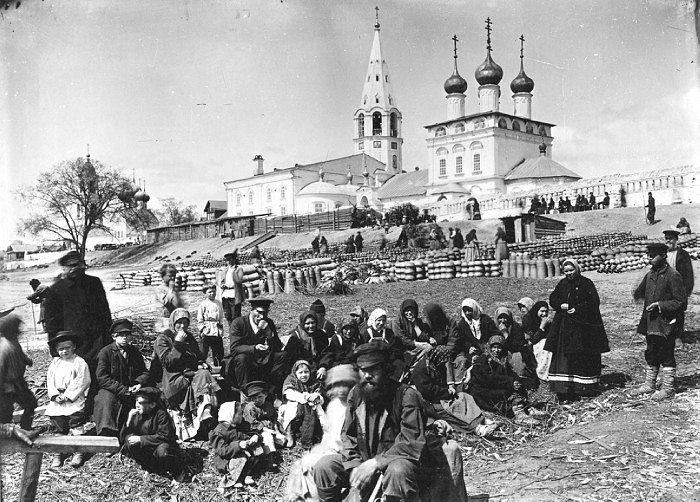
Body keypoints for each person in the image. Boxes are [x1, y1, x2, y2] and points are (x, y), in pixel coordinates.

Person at [312, 341, 428, 502]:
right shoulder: (357, 394)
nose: (367, 375)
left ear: (386, 370)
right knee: (324, 466)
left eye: (373, 369)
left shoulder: (406, 396)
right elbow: (348, 435)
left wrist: (376, 463)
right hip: (364, 462)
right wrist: (354, 466)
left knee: (398, 470)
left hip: (396, 463)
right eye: (362, 370)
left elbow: (410, 442)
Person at [43, 250, 111, 414]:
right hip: (73, 345)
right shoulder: (55, 290)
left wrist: (108, 341)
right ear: (64, 268)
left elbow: (105, 314)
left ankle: (96, 412)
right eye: (71, 266)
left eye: (79, 264)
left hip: (96, 342)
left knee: (97, 377)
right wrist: (55, 350)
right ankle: (77, 415)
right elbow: (52, 324)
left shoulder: (94, 283)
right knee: (74, 380)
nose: (76, 268)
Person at [285, 365, 359, 502]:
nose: (340, 390)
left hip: (350, 455)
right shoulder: (334, 406)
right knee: (302, 464)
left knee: (318, 465)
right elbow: (329, 432)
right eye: (336, 386)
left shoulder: (358, 406)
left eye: (345, 385)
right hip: (333, 450)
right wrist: (321, 448)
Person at [545, 258, 610, 402]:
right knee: (565, 357)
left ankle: (584, 388)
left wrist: (578, 309)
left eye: (571, 270)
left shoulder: (586, 283)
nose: (569, 273)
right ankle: (565, 389)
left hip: (583, 327)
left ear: (577, 269)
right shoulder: (562, 284)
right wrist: (559, 305)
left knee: (583, 355)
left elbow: (594, 302)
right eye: (566, 271)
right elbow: (553, 298)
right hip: (565, 327)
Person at [629, 243, 686, 400]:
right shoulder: (650, 275)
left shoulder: (673, 275)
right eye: (648, 255)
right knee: (651, 352)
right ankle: (649, 384)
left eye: (653, 255)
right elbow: (640, 293)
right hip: (651, 322)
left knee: (666, 354)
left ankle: (667, 388)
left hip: (668, 322)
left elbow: (681, 302)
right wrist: (636, 292)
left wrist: (660, 305)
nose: (649, 258)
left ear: (663, 256)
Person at [154, 308, 219, 441]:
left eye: (185, 322)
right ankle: (203, 413)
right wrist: (178, 343)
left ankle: (206, 412)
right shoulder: (163, 338)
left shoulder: (188, 337)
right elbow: (168, 363)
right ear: (173, 322)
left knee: (204, 373)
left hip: (189, 375)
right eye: (179, 322)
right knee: (202, 376)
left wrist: (202, 359)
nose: (182, 326)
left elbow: (197, 357)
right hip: (172, 379)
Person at [410, 346, 495, 436]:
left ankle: (480, 420)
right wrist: (446, 392)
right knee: (451, 411)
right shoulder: (421, 369)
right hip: (429, 401)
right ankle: (476, 428)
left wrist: (449, 389)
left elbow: (442, 381)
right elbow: (426, 390)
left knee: (465, 397)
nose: (444, 363)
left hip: (441, 396)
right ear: (436, 357)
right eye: (442, 360)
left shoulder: (437, 364)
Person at [468, 335, 541, 426]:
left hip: (498, 385)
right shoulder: (483, 360)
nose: (496, 350)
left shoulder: (502, 359)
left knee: (519, 386)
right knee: (507, 392)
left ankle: (526, 408)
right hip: (485, 391)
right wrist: (510, 382)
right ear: (489, 347)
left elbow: (511, 373)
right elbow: (487, 378)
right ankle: (519, 414)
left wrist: (515, 380)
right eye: (494, 347)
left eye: (499, 348)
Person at [94, 318, 150, 437]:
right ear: (114, 337)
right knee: (105, 400)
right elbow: (102, 378)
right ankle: (107, 435)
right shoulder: (106, 352)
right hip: (112, 389)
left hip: (132, 388)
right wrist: (122, 390)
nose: (125, 337)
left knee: (153, 394)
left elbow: (144, 372)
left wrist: (139, 383)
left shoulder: (134, 352)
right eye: (120, 335)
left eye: (127, 334)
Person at [120, 387, 187, 482]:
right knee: (129, 441)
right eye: (136, 402)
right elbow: (125, 436)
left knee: (163, 452)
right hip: (147, 449)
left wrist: (141, 439)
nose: (137, 405)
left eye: (141, 403)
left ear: (152, 404)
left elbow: (165, 436)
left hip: (159, 445)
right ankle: (151, 467)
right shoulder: (136, 413)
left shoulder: (161, 415)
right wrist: (129, 420)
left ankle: (176, 471)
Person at [227, 298, 292, 397]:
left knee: (282, 356)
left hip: (262, 362)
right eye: (259, 312)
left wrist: (269, 334)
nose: (262, 316)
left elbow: (278, 348)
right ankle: (246, 393)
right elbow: (234, 348)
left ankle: (272, 391)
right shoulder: (238, 323)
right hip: (245, 363)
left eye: (265, 313)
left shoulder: (268, 323)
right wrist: (255, 348)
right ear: (251, 310)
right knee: (242, 358)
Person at [45, 331, 91, 468]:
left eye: (67, 348)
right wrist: (54, 395)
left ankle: (79, 452)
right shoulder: (55, 363)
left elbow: (83, 380)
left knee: (76, 423)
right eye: (60, 349)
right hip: (58, 400)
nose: (64, 351)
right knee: (58, 426)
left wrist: (68, 395)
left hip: (72, 399)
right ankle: (58, 453)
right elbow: (50, 380)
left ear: (74, 347)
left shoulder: (79, 362)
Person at [209, 400, 263, 488]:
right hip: (226, 459)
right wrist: (238, 445)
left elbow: (250, 433)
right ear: (231, 415)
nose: (242, 416)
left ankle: (246, 474)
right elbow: (223, 451)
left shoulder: (239, 425)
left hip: (241, 452)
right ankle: (237, 479)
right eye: (240, 414)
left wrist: (255, 437)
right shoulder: (218, 432)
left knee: (257, 450)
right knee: (240, 459)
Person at [0, 315, 36, 430]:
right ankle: (7, 436)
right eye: (17, 329)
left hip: (18, 383)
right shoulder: (4, 348)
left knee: (31, 403)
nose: (19, 332)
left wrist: (26, 360)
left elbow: (20, 354)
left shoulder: (14, 341)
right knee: (5, 413)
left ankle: (25, 428)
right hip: (6, 386)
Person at [279, 360, 323, 448]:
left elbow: (319, 395)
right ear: (295, 373)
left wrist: (316, 396)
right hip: (294, 404)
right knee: (291, 413)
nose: (303, 375)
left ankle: (309, 435)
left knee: (316, 412)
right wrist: (305, 397)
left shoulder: (314, 382)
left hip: (310, 406)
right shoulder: (291, 380)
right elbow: (289, 394)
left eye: (306, 372)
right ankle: (289, 433)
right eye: (300, 372)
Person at [663, 228, 694, 347]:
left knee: (678, 313)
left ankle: (677, 337)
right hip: (665, 288)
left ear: (676, 240)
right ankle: (666, 335)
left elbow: (688, 275)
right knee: (665, 312)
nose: (668, 241)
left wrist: (686, 292)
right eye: (667, 239)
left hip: (678, 289)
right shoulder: (663, 254)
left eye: (671, 239)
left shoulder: (683, 255)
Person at [494, 307, 538, 389]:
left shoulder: (515, 327)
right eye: (500, 318)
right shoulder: (494, 328)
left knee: (516, 357)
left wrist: (505, 334)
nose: (503, 321)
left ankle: (519, 382)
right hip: (499, 352)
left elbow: (518, 346)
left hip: (515, 353)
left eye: (505, 318)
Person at [285, 312, 330, 379]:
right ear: (303, 324)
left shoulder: (321, 335)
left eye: (313, 322)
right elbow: (292, 359)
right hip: (303, 369)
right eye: (307, 323)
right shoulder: (295, 338)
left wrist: (323, 367)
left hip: (320, 367)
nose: (311, 326)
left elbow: (326, 352)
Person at [521, 301, 553, 381]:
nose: (544, 314)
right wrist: (542, 326)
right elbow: (532, 339)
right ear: (536, 310)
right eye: (542, 311)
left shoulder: (547, 320)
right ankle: (542, 373)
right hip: (532, 344)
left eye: (546, 311)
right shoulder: (527, 319)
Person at [197, 283, 225, 365]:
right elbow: (200, 318)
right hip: (207, 328)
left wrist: (221, 328)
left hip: (216, 328)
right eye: (209, 292)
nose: (212, 293)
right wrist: (201, 329)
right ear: (205, 293)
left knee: (218, 350)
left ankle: (218, 365)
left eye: (214, 291)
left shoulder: (218, 303)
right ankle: (202, 363)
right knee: (204, 349)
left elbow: (221, 316)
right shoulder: (203, 304)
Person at [154, 263, 184, 333]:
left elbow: (179, 304)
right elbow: (165, 301)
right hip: (164, 320)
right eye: (170, 276)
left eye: (174, 276)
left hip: (175, 319)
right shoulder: (160, 289)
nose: (173, 278)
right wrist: (171, 290)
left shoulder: (175, 289)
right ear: (163, 276)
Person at [220, 251, 245, 329]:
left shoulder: (238, 269)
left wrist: (234, 272)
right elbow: (222, 280)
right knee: (228, 314)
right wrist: (222, 284)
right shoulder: (226, 270)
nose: (229, 262)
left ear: (234, 260)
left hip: (234, 293)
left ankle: (237, 329)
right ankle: (231, 329)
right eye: (227, 260)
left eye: (230, 259)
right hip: (226, 294)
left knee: (235, 314)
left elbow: (239, 280)